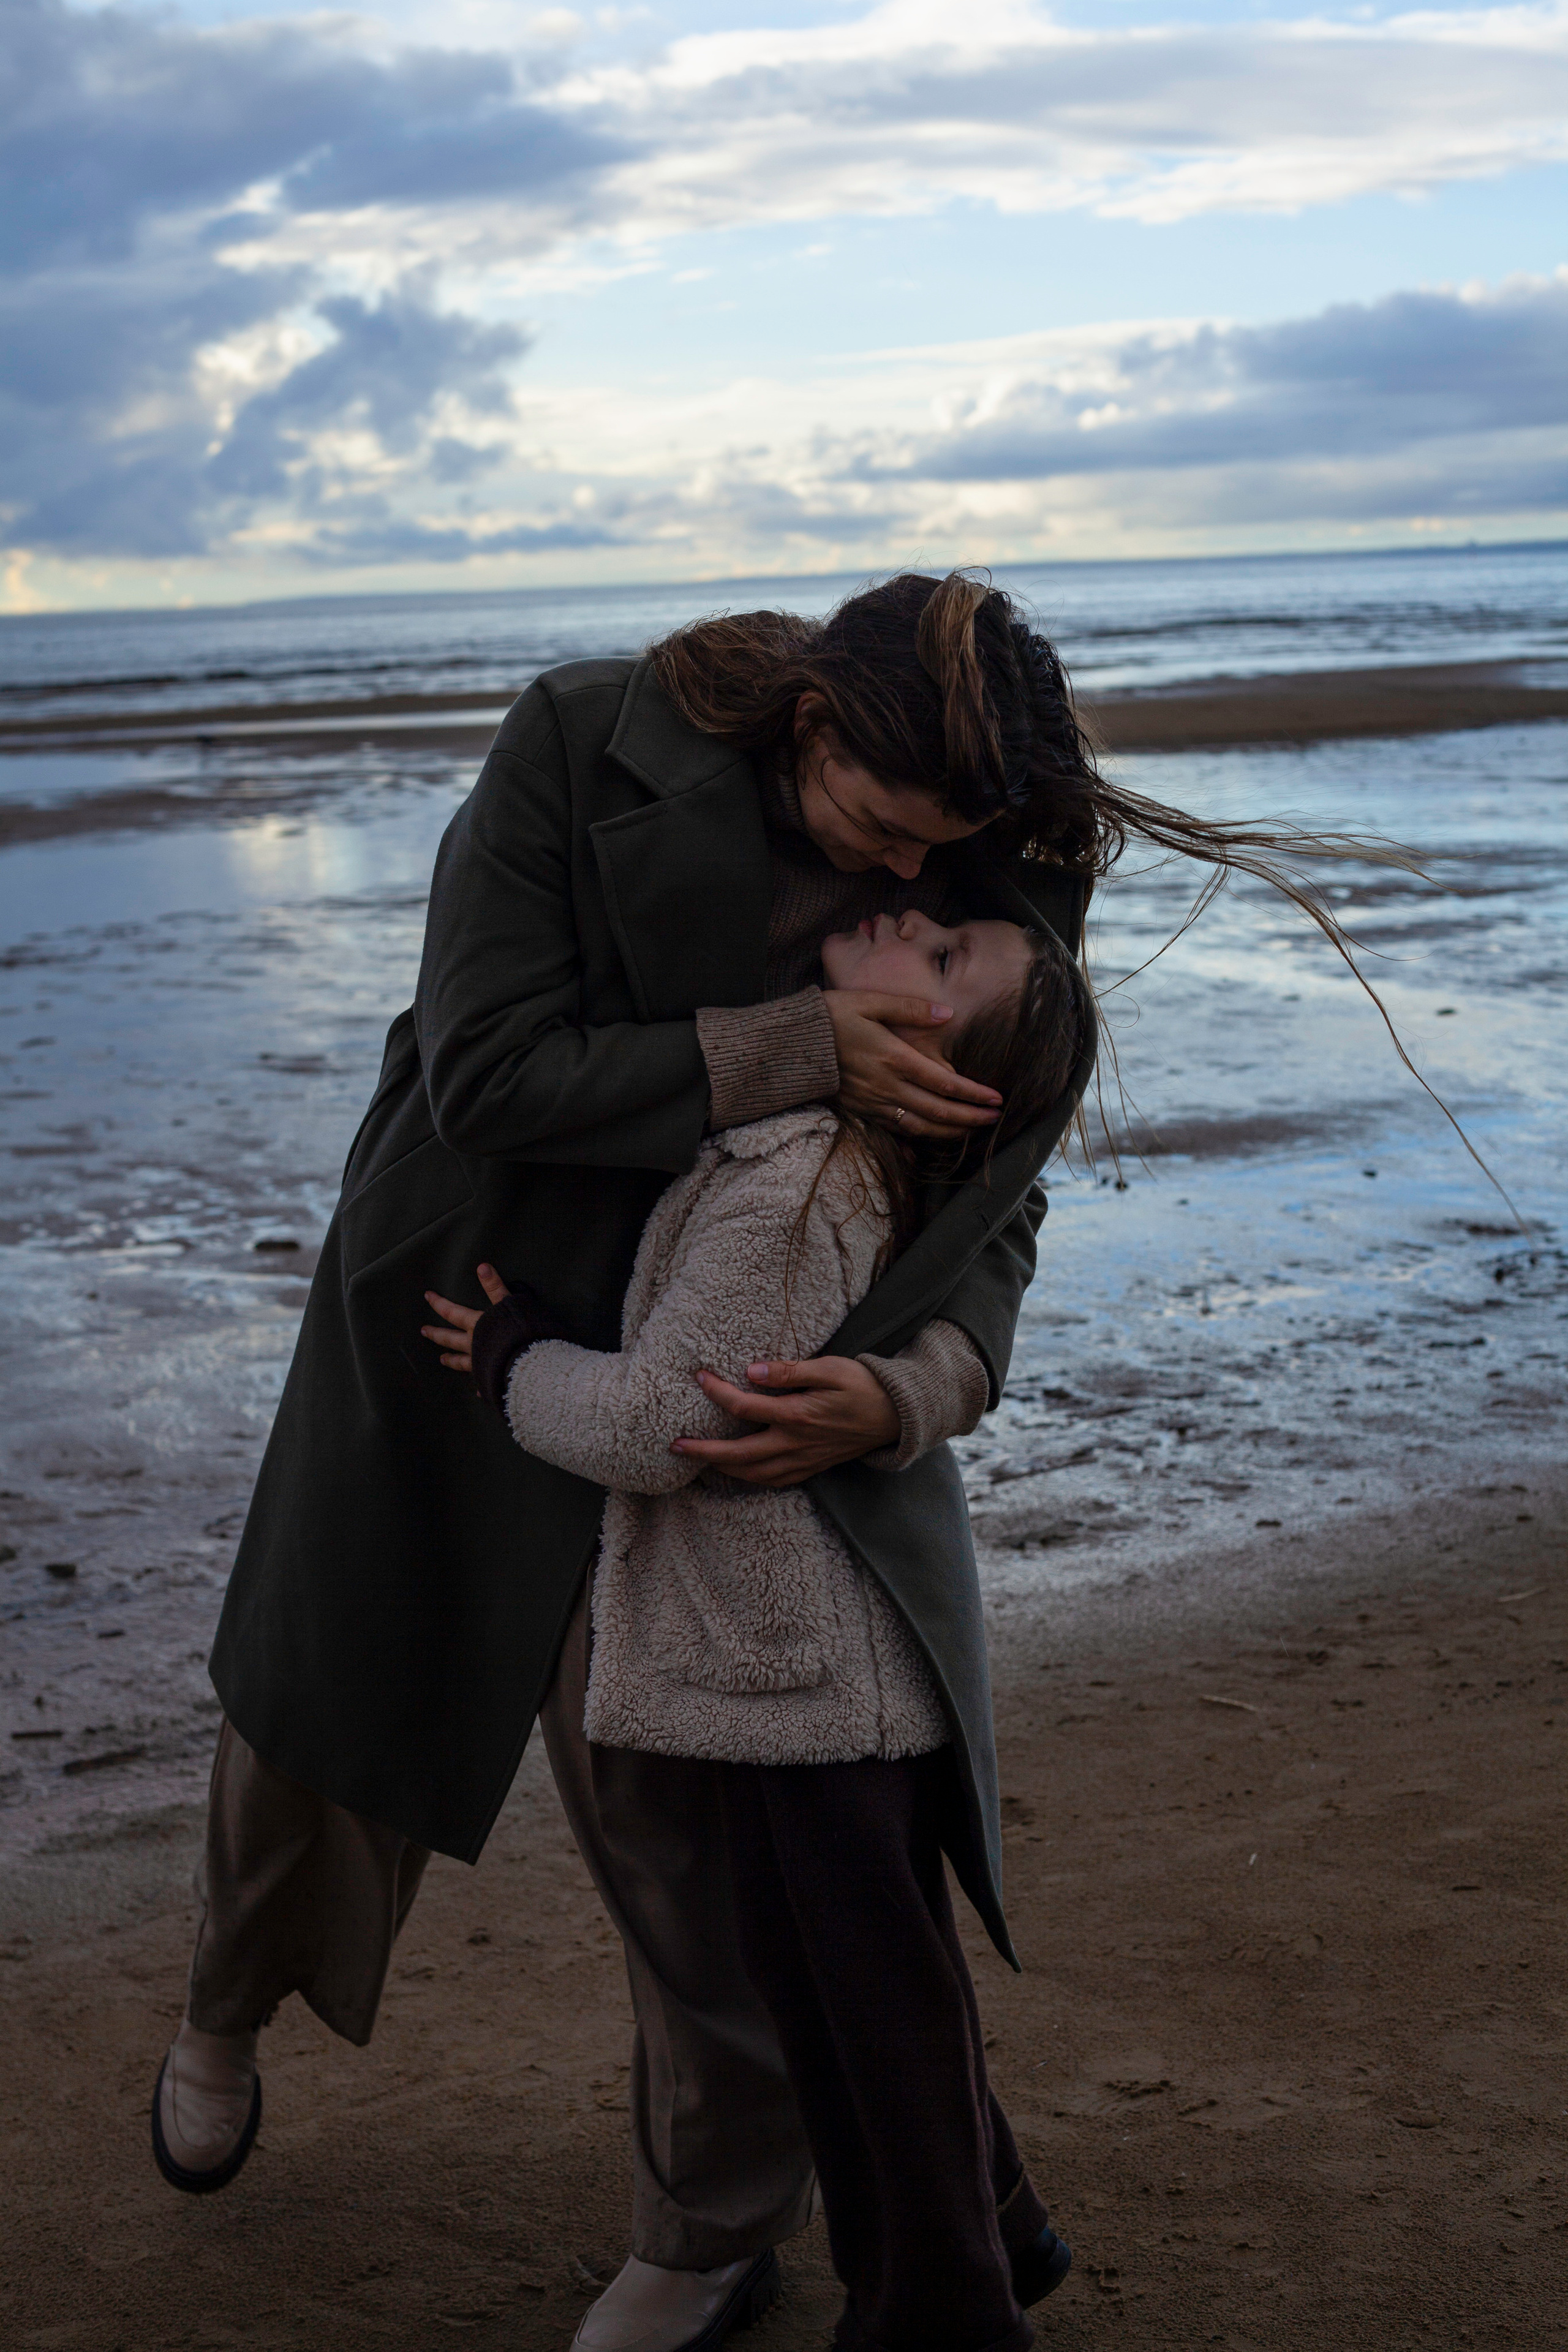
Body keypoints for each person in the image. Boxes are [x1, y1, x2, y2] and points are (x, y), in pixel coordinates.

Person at [151, 568, 1396, 2346]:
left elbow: (999, 1181)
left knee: (690, 1808)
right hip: (464, 1305)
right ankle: (221, 2010)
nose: (909, 881)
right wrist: (808, 1045)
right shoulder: (579, 739)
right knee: (313, 1726)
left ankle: (714, 2221)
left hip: (737, 1366)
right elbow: (484, 1077)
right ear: (811, 723)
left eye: (940, 855)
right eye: (883, 832)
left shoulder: (999, 841)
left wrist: (924, 1386)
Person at [417, 900, 1090, 2352]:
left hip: (804, 1688)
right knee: (850, 1999)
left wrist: (513, 1357)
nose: (913, 918)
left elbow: (667, 1424)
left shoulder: (794, 1191)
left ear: (935, 1061)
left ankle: (944, 2316)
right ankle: (1000, 2226)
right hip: (798, 1673)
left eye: (945, 956)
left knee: (874, 2031)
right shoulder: (832, 1171)